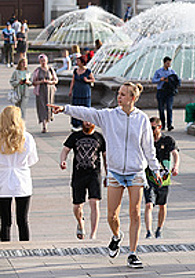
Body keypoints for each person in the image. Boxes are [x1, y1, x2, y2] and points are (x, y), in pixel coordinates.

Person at [48, 82, 162, 269]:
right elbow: (87, 112)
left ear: (132, 98)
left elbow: (149, 149)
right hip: (115, 172)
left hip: (135, 171)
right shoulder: (108, 116)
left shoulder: (141, 119)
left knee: (135, 213)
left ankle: (133, 253)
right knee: (111, 216)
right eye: (118, 93)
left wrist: (155, 170)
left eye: (123, 94)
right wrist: (65, 109)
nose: (119, 97)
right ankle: (117, 236)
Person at [59, 121, 107, 240]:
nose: (87, 123)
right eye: (85, 120)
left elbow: (106, 157)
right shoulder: (75, 136)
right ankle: (80, 223)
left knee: (94, 203)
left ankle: (93, 234)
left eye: (89, 121)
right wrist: (62, 161)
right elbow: (65, 150)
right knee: (77, 206)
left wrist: (108, 174)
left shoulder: (99, 137)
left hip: (94, 174)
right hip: (78, 174)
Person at [0, 106, 39, 241]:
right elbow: (32, 160)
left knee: (5, 221)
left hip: (2, 180)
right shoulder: (27, 137)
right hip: (22, 180)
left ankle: (4, 247)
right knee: (23, 220)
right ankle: (25, 246)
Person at [144, 117, 180, 239]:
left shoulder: (167, 140)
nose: (150, 130)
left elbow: (175, 153)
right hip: (148, 176)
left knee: (162, 205)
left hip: (163, 177)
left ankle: (159, 229)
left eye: (153, 128)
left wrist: (175, 166)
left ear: (159, 127)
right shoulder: (146, 140)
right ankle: (148, 231)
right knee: (149, 204)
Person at [32, 54, 58, 133]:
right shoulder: (37, 70)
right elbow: (33, 82)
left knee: (48, 105)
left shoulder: (50, 69)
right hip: (40, 90)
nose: (43, 62)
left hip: (49, 90)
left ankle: (48, 119)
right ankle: (44, 125)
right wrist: (41, 81)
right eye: (41, 61)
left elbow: (56, 80)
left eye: (44, 61)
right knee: (41, 106)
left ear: (47, 61)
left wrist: (50, 82)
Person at [152, 57, 180, 131]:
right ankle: (162, 124)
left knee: (169, 108)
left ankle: (169, 125)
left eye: (170, 63)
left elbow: (177, 80)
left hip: (169, 92)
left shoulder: (172, 72)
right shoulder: (158, 71)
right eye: (168, 63)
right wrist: (160, 79)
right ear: (164, 63)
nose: (169, 64)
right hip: (161, 91)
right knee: (161, 109)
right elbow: (153, 80)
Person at [69, 56, 95, 131]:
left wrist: (87, 80)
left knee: (85, 108)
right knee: (75, 107)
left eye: (78, 61)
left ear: (83, 62)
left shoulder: (88, 71)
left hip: (85, 92)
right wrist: (71, 90)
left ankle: (84, 124)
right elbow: (73, 81)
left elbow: (93, 79)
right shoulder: (75, 70)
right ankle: (75, 124)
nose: (77, 63)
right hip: (77, 91)